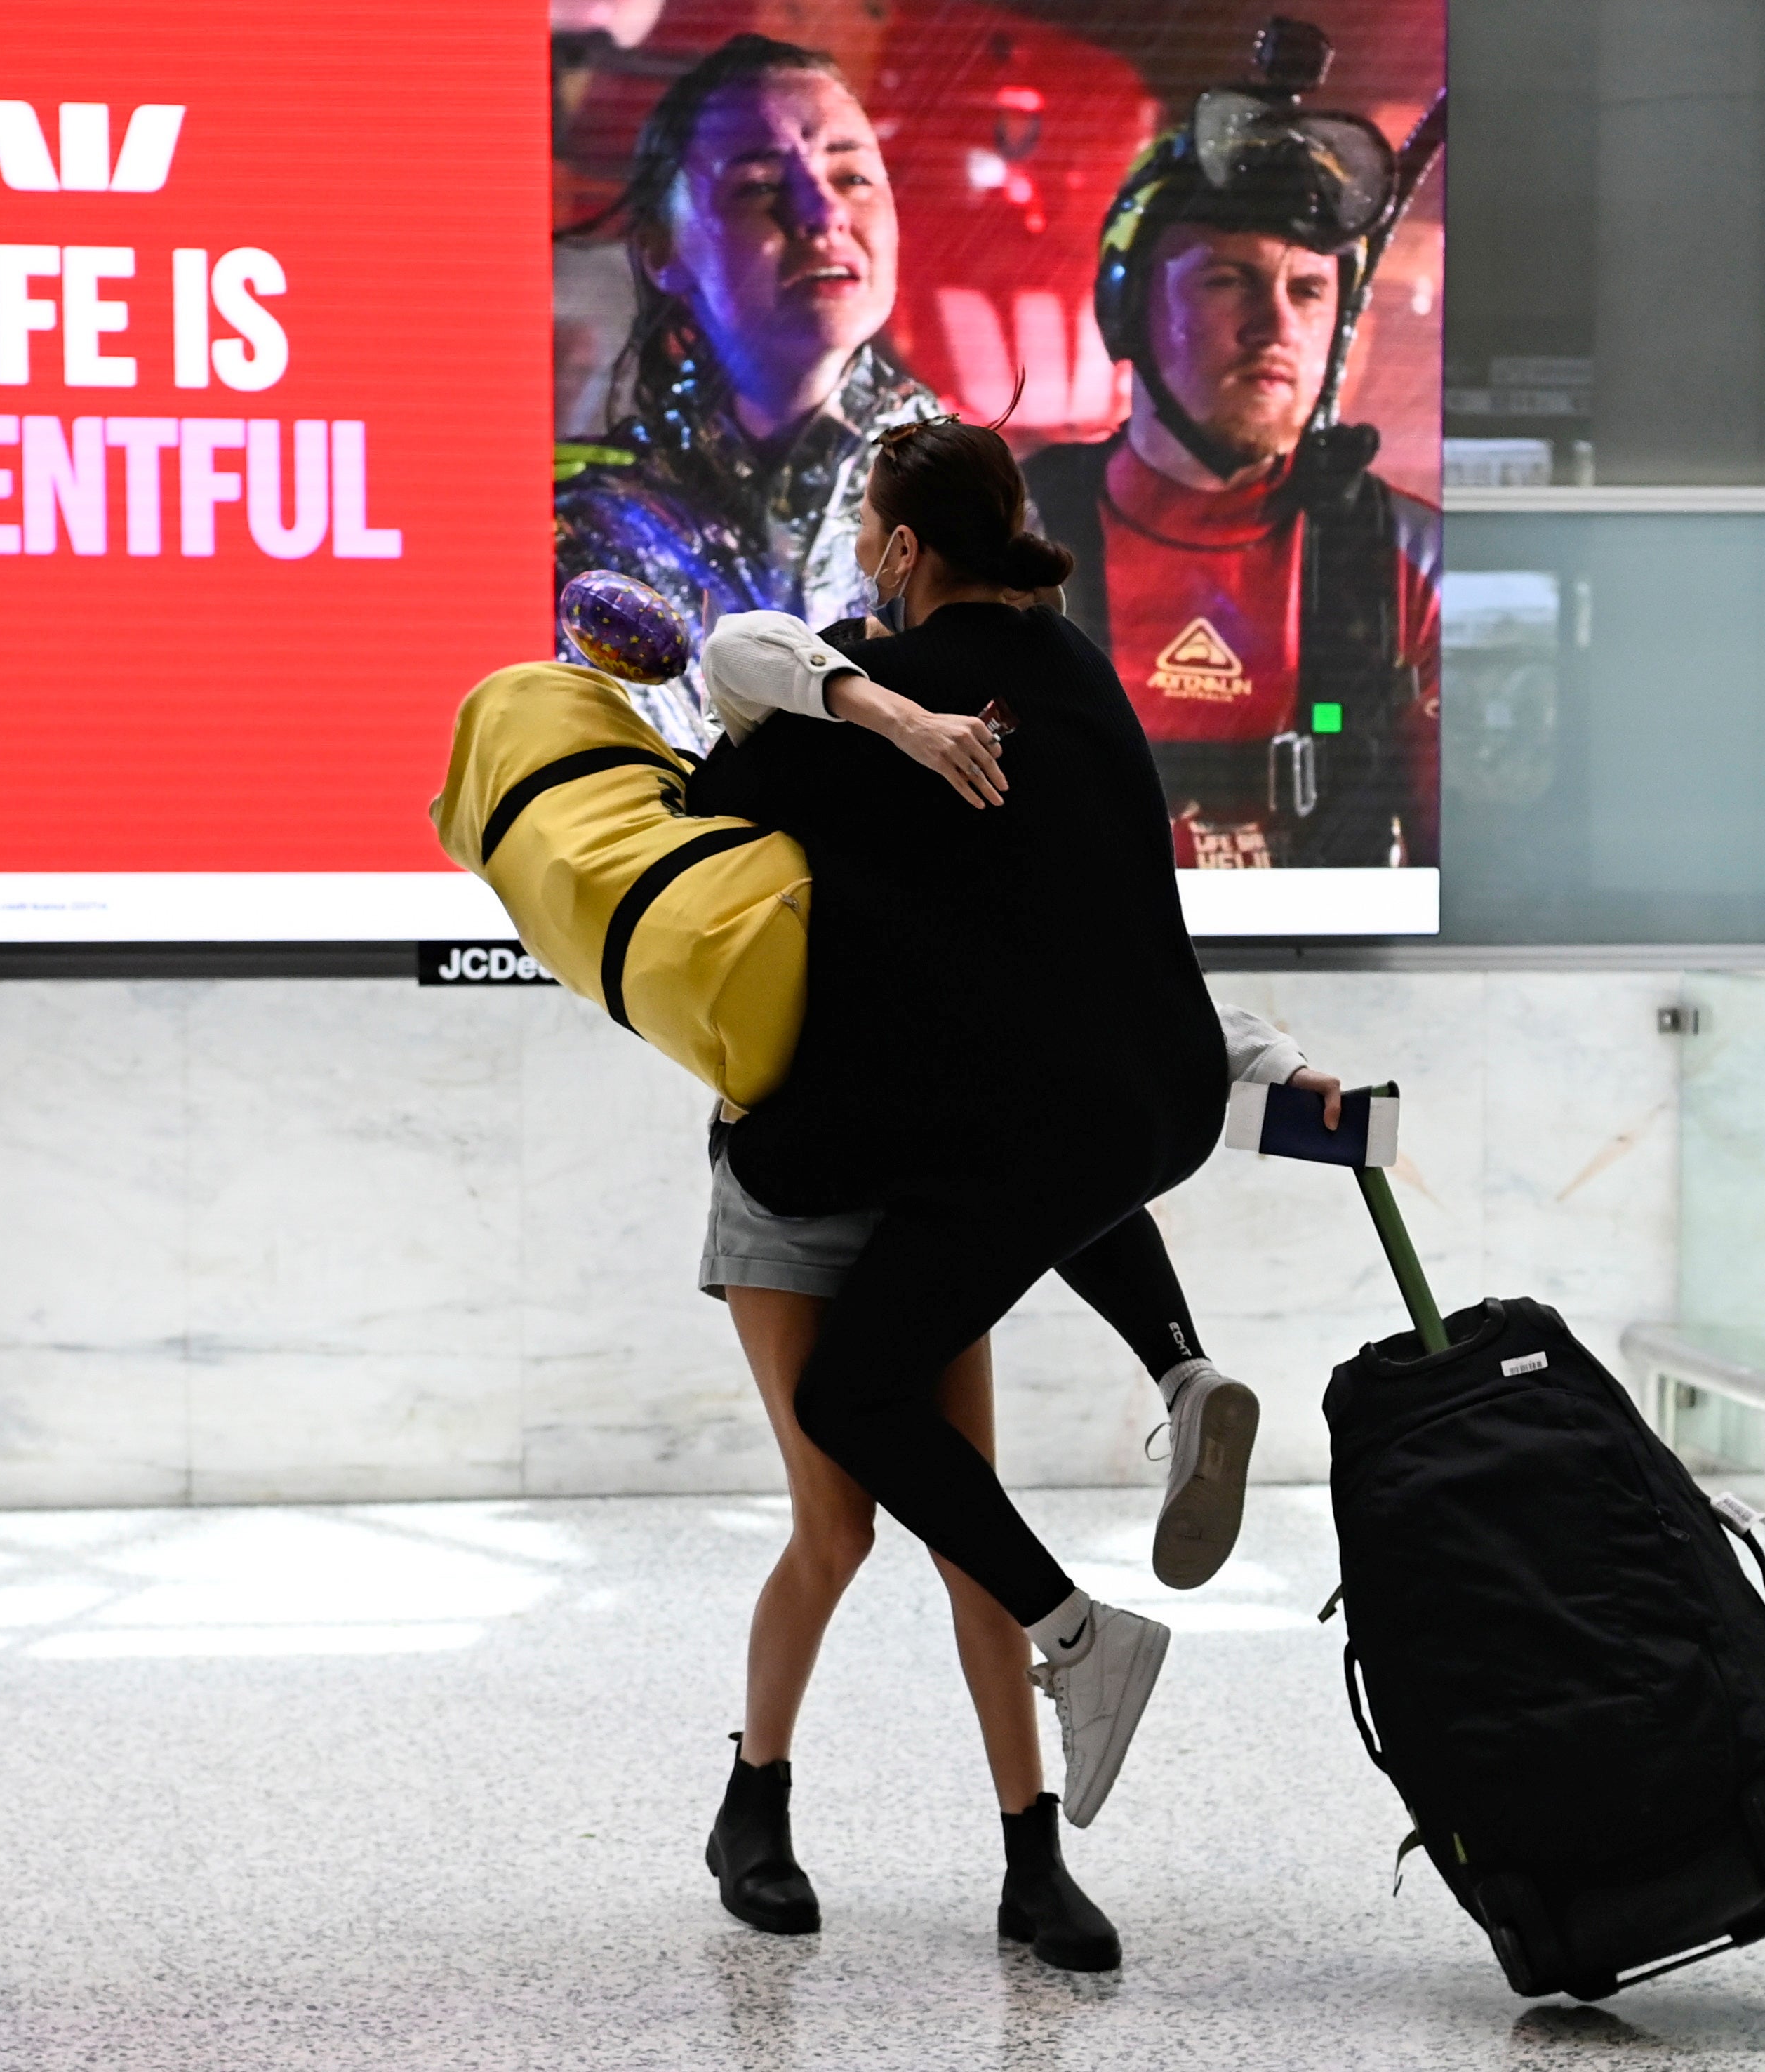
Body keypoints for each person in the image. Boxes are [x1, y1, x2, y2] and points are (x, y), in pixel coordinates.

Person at [682, 418, 1232, 1864]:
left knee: (856, 1419)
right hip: (1144, 1107)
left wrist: (858, 705)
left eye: (873, 528)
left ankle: (1073, 1657)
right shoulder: (1088, 678)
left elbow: (710, 778)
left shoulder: (879, 701)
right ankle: (1183, 1367)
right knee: (891, 1505)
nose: (863, 553)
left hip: (905, 1155)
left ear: (908, 549)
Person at [1021, 42, 1444, 871]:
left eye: (1308, 290)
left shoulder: (1409, 567)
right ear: (1128, 303)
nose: (1276, 326)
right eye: (1227, 281)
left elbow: (1481, 899)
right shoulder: (1002, 547)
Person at [554, 34, 943, 749]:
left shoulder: (977, 499)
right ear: (662, 249)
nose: (821, 215)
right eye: (760, 185)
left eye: (852, 176)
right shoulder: (593, 531)